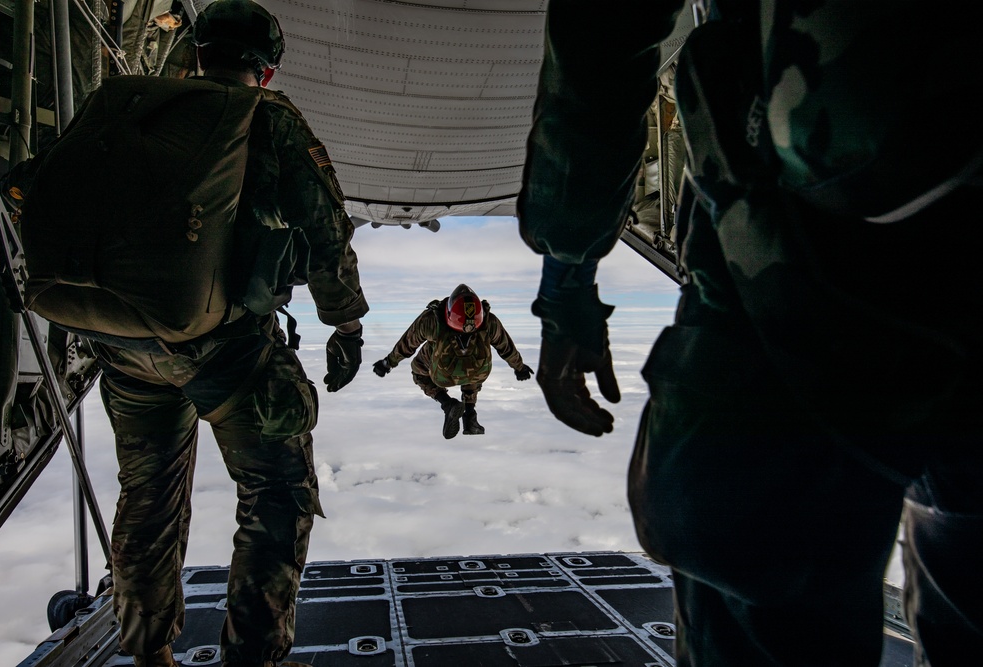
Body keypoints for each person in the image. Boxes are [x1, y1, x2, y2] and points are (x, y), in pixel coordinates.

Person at [517, 1, 983, 665]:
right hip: (826, 236)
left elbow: (606, 31)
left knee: (758, 566)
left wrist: (566, 279)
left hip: (797, 263)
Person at [6, 1, 368, 665]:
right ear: (265, 70)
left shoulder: (125, 106)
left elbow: (30, 184)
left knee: (147, 498)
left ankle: (148, 652)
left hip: (122, 347)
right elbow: (325, 229)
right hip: (219, 348)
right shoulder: (266, 117)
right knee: (277, 492)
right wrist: (345, 321)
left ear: (197, 52)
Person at [371, 284, 533, 439]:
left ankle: (447, 404)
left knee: (418, 369)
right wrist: (519, 368)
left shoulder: (432, 321)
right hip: (478, 373)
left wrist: (388, 363)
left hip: (442, 375)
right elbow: (506, 348)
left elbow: (408, 344)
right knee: (472, 367)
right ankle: (470, 417)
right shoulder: (489, 322)